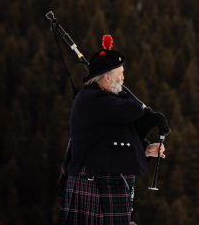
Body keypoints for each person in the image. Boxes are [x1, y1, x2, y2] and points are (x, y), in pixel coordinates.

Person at [57, 35, 165, 225]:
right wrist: (143, 109)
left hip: (99, 181)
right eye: (120, 73)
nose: (123, 78)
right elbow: (133, 110)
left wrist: (144, 149)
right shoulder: (95, 100)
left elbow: (113, 135)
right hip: (95, 185)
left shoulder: (100, 98)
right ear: (106, 77)